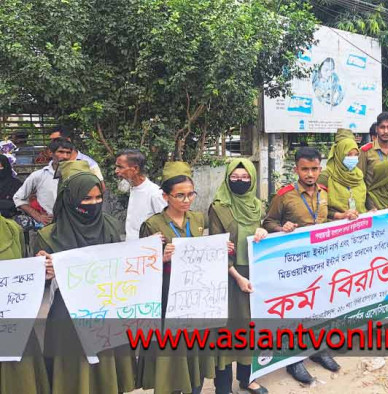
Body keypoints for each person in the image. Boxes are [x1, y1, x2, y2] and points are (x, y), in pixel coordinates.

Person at [36, 160, 138, 394]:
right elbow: (40, 281)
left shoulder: (110, 226)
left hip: (107, 307)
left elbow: (122, 265)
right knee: (74, 373)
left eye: (98, 198)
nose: (94, 204)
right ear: (70, 199)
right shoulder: (48, 235)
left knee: (107, 371)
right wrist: (44, 270)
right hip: (68, 314)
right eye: (86, 199)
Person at [138, 161, 225, 394]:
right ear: (165, 197)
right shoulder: (152, 224)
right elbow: (141, 267)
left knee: (196, 346)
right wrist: (160, 257)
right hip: (167, 294)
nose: (186, 200)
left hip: (195, 294)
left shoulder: (197, 219)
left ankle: (195, 388)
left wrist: (219, 249)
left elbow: (202, 253)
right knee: (174, 348)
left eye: (190, 194)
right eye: (180, 196)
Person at [262, 147, 340, 384]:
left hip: (320, 261)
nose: (310, 174)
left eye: (314, 169)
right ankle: (293, 359)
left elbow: (326, 216)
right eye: (305, 169)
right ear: (296, 169)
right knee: (295, 310)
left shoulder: (324, 192)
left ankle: (317, 350)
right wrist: (280, 228)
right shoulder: (284, 195)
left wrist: (345, 215)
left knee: (319, 306)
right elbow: (268, 222)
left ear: (320, 169)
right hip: (293, 264)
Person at [209, 158, 269, 394]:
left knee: (250, 327)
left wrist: (263, 230)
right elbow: (216, 246)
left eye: (246, 178)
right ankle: (222, 386)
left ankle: (247, 378)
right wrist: (235, 275)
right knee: (226, 329)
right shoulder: (218, 207)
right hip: (229, 275)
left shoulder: (257, 205)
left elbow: (261, 234)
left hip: (253, 274)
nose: (240, 182)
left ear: (253, 179)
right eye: (235, 177)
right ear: (227, 178)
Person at [0, 215, 50, 394]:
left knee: (18, 382)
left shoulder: (11, 229)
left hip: (11, 327)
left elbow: (18, 273)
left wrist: (40, 269)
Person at [13, 137, 74, 225]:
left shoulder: (77, 175)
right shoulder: (39, 176)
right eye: (60, 152)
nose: (65, 156)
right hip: (50, 225)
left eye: (68, 153)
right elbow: (18, 198)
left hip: (74, 223)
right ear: (51, 153)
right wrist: (38, 216)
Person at [115, 149, 167, 240]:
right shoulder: (132, 187)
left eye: (120, 167)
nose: (116, 171)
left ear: (135, 169)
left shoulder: (155, 193)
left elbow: (166, 224)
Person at [358, 112, 388, 208]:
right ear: (376, 129)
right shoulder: (366, 151)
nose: (385, 131)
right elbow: (360, 181)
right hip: (373, 205)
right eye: (382, 127)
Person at [321, 137, 367, 220]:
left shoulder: (358, 175)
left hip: (360, 225)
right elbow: (318, 208)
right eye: (348, 154)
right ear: (339, 155)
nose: (353, 158)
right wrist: (341, 215)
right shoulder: (326, 176)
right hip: (337, 227)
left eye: (356, 155)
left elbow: (363, 203)